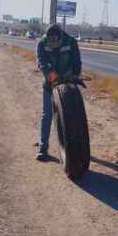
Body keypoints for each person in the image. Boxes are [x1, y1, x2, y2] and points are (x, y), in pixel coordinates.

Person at [36, 24, 82, 161]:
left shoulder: (71, 42)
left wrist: (74, 76)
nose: (54, 44)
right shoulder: (41, 43)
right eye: (52, 41)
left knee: (71, 117)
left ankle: (72, 147)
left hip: (67, 84)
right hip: (49, 84)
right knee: (47, 115)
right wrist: (51, 77)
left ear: (61, 36)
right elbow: (42, 64)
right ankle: (43, 148)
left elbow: (76, 62)